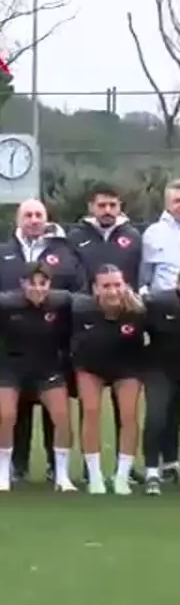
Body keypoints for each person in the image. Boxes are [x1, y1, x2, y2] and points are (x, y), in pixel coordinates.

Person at [0, 199, 85, 482]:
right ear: (18, 219)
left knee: (59, 415)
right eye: (28, 215)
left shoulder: (64, 251)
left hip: (51, 353)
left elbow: (80, 294)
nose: (33, 219)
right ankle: (12, 469)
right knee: (11, 414)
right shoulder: (2, 253)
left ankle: (59, 471)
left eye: (38, 214)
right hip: (12, 357)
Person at [0, 263, 76, 492]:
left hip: (47, 369)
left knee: (62, 417)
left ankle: (62, 475)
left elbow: (88, 304)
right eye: (32, 283)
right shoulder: (2, 304)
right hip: (10, 368)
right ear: (22, 283)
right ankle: (3, 474)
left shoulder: (62, 302)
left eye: (43, 283)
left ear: (50, 284)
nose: (38, 288)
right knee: (6, 416)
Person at [71, 265, 146, 495]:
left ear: (125, 285)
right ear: (95, 288)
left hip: (127, 367)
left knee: (129, 416)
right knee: (91, 412)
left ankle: (122, 476)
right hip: (90, 366)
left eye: (117, 285)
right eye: (106, 286)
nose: (112, 291)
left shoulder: (138, 311)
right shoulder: (81, 309)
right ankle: (95, 477)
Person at [142, 179, 180, 478]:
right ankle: (157, 464)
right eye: (177, 200)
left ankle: (172, 461)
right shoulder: (154, 234)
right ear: (167, 203)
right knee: (161, 405)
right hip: (163, 317)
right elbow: (144, 279)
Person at [143, 280, 180, 494]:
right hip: (159, 369)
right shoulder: (159, 303)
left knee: (172, 416)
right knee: (157, 417)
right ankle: (151, 472)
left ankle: (171, 464)